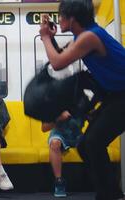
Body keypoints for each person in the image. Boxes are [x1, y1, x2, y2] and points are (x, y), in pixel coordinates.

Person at [39, 0, 125, 199]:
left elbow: (58, 63)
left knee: (93, 143)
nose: (59, 20)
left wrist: (44, 37)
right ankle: (109, 192)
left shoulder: (90, 36)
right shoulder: (82, 36)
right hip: (114, 95)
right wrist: (51, 38)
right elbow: (61, 54)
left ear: (72, 17)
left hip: (122, 96)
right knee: (86, 145)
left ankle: (109, 194)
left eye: (61, 16)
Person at [41, 111, 84, 197]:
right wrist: (59, 118)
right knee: (55, 143)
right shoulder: (54, 104)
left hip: (77, 136)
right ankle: (59, 181)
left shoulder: (81, 101)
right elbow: (44, 128)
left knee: (92, 142)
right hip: (59, 134)